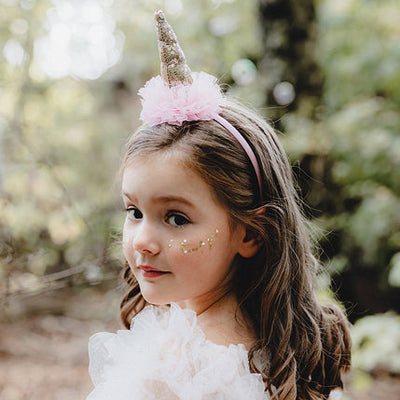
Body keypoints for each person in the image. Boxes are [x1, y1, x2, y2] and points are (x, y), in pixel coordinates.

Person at [86, 10, 351, 400]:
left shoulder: (175, 369)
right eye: (134, 212)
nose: (142, 240)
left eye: (176, 218)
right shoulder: (277, 348)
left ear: (249, 233)